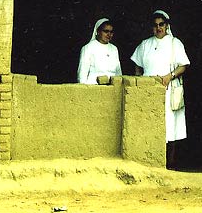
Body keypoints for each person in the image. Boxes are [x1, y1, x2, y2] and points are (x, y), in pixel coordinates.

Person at [130, 10, 190, 169]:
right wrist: (141, 80)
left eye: (161, 24)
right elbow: (137, 65)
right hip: (149, 92)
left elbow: (183, 66)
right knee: (150, 126)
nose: (158, 28)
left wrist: (169, 76)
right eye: (155, 25)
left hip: (168, 89)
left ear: (167, 25)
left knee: (170, 127)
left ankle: (170, 164)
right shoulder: (145, 44)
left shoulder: (174, 43)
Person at [77, 18, 122, 84]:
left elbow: (118, 72)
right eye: (106, 31)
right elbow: (82, 74)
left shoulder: (114, 49)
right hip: (94, 88)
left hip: (112, 89)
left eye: (111, 32)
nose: (109, 34)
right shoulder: (88, 48)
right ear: (98, 32)